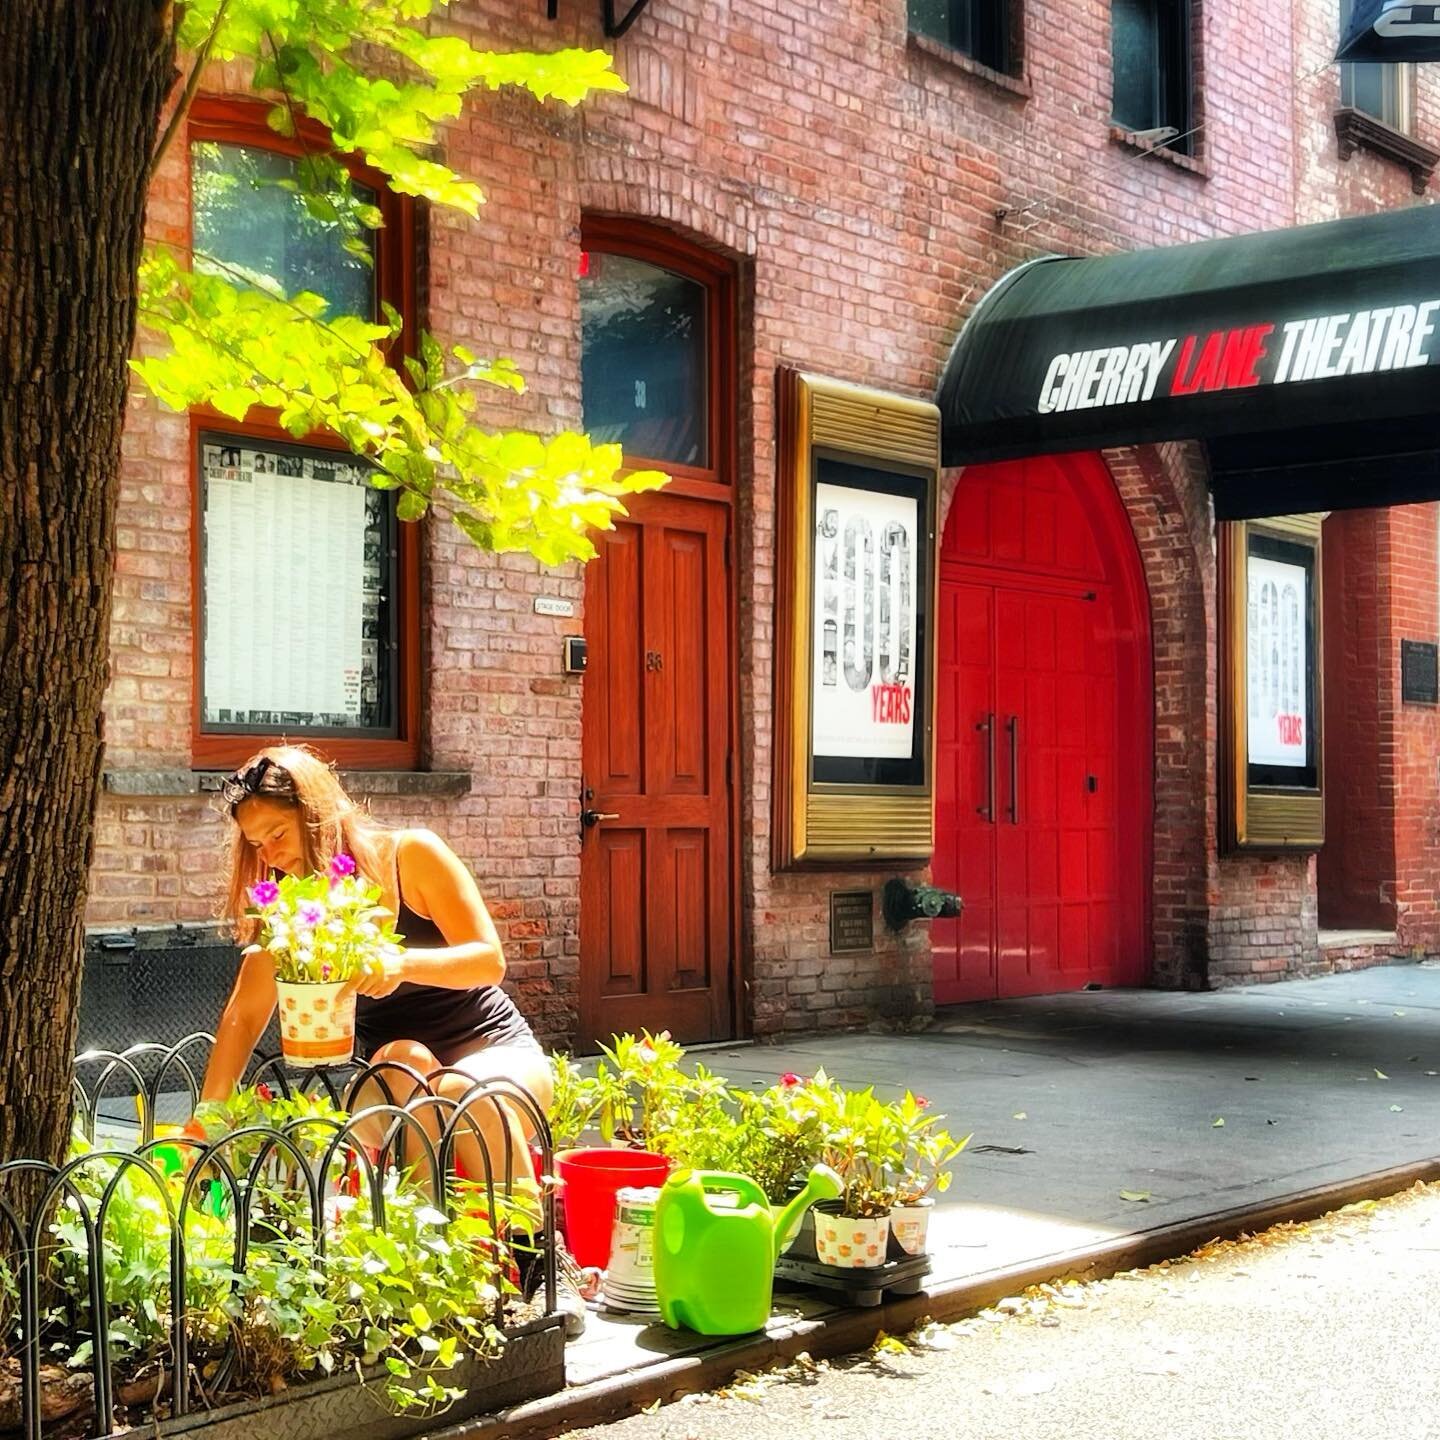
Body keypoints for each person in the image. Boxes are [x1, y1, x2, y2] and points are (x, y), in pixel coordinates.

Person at [194, 744, 591, 1328]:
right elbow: (242, 1017)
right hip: (395, 1072)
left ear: (316, 815)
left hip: (492, 1048)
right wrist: (206, 1121)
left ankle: (541, 1263)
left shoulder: (411, 856)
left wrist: (401, 964)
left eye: (276, 834)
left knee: (458, 1089)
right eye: (255, 845)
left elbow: (489, 961)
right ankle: (425, 1269)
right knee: (407, 1063)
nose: (269, 856)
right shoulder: (299, 904)